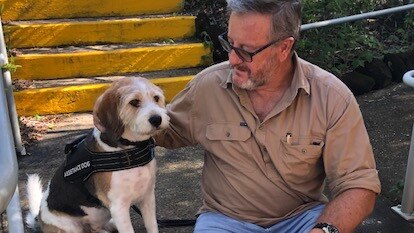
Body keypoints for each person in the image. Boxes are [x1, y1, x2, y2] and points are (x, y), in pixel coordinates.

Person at [95, 0, 381, 232]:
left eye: (246, 51)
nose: (232, 59)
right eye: (230, 44)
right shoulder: (208, 87)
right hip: (225, 221)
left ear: (284, 48)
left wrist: (324, 230)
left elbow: (359, 185)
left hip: (303, 219)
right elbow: (159, 128)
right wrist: (110, 121)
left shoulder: (332, 97)